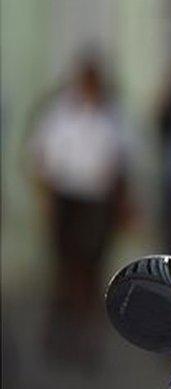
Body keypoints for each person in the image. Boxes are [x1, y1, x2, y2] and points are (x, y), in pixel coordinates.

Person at [30, 52, 132, 368]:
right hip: (68, 200)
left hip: (97, 203)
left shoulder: (111, 116)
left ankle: (88, 339)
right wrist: (46, 201)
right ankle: (61, 334)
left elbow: (121, 163)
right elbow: (41, 159)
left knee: (92, 269)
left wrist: (124, 205)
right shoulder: (60, 113)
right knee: (66, 269)